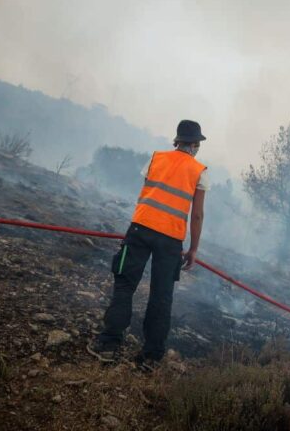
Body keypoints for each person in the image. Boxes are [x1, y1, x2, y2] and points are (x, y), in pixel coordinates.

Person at [88, 119, 208, 369]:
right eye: (197, 144)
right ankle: (151, 357)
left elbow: (146, 191)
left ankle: (109, 344)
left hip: (141, 229)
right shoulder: (200, 171)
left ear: (176, 141)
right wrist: (194, 249)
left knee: (125, 284)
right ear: (195, 144)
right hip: (171, 240)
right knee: (161, 296)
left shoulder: (156, 158)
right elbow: (197, 215)